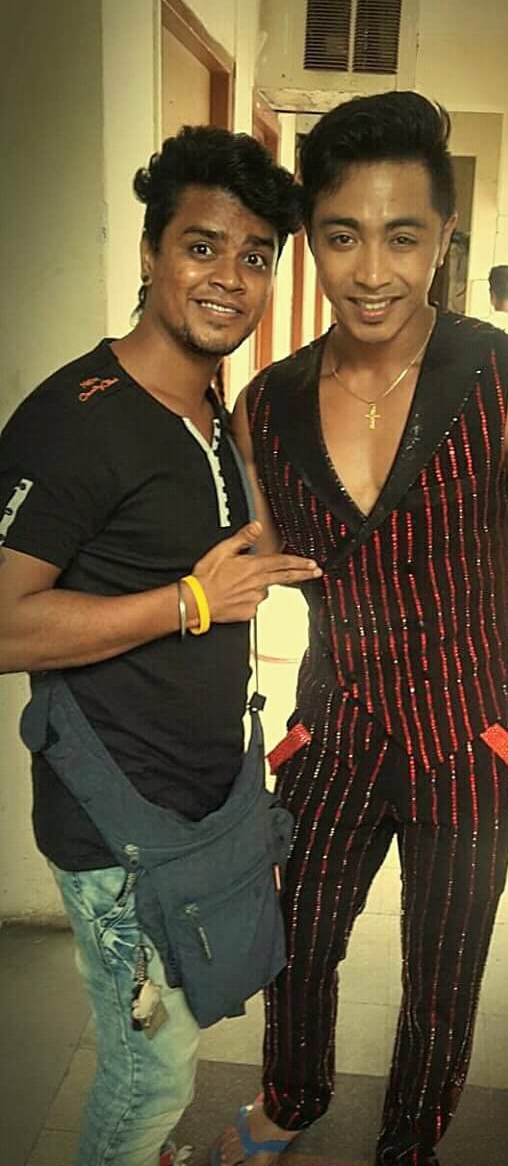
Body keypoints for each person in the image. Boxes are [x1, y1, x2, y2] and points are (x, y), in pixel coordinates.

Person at [218, 92, 508, 1166]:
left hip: (466, 740)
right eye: (342, 235)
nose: (372, 270)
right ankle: (291, 1097)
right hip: (330, 732)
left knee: (443, 973)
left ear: (444, 237)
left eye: (403, 236)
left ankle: (410, 1141)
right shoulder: (266, 404)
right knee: (295, 941)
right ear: (310, 241)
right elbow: (248, 561)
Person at [0, 126, 322, 1166]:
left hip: (192, 805)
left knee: (175, 1032)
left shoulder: (209, 410)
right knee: (150, 1078)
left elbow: (233, 549)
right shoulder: (76, 417)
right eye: (202, 246)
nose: (230, 276)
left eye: (255, 255)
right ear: (150, 254)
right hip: (115, 824)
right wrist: (188, 601)